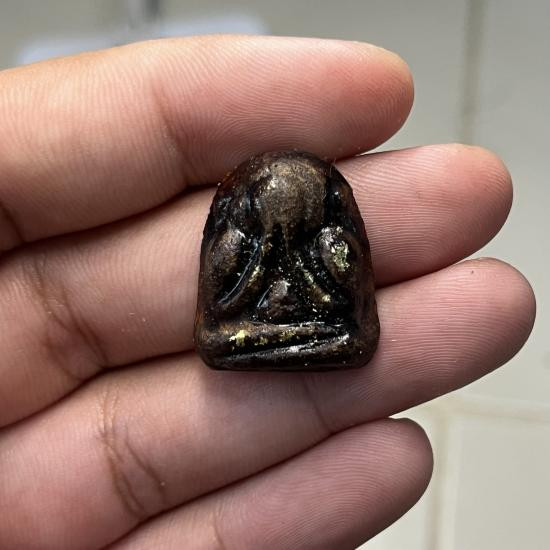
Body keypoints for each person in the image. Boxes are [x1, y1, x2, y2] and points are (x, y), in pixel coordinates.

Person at [0, 35, 535, 549]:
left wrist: (308, 284)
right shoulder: (236, 240)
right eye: (275, 217)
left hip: (314, 333)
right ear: (254, 207)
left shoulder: (330, 240)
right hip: (254, 335)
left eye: (297, 217)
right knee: (224, 345)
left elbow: (349, 322)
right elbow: (219, 324)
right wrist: (262, 271)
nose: (285, 232)